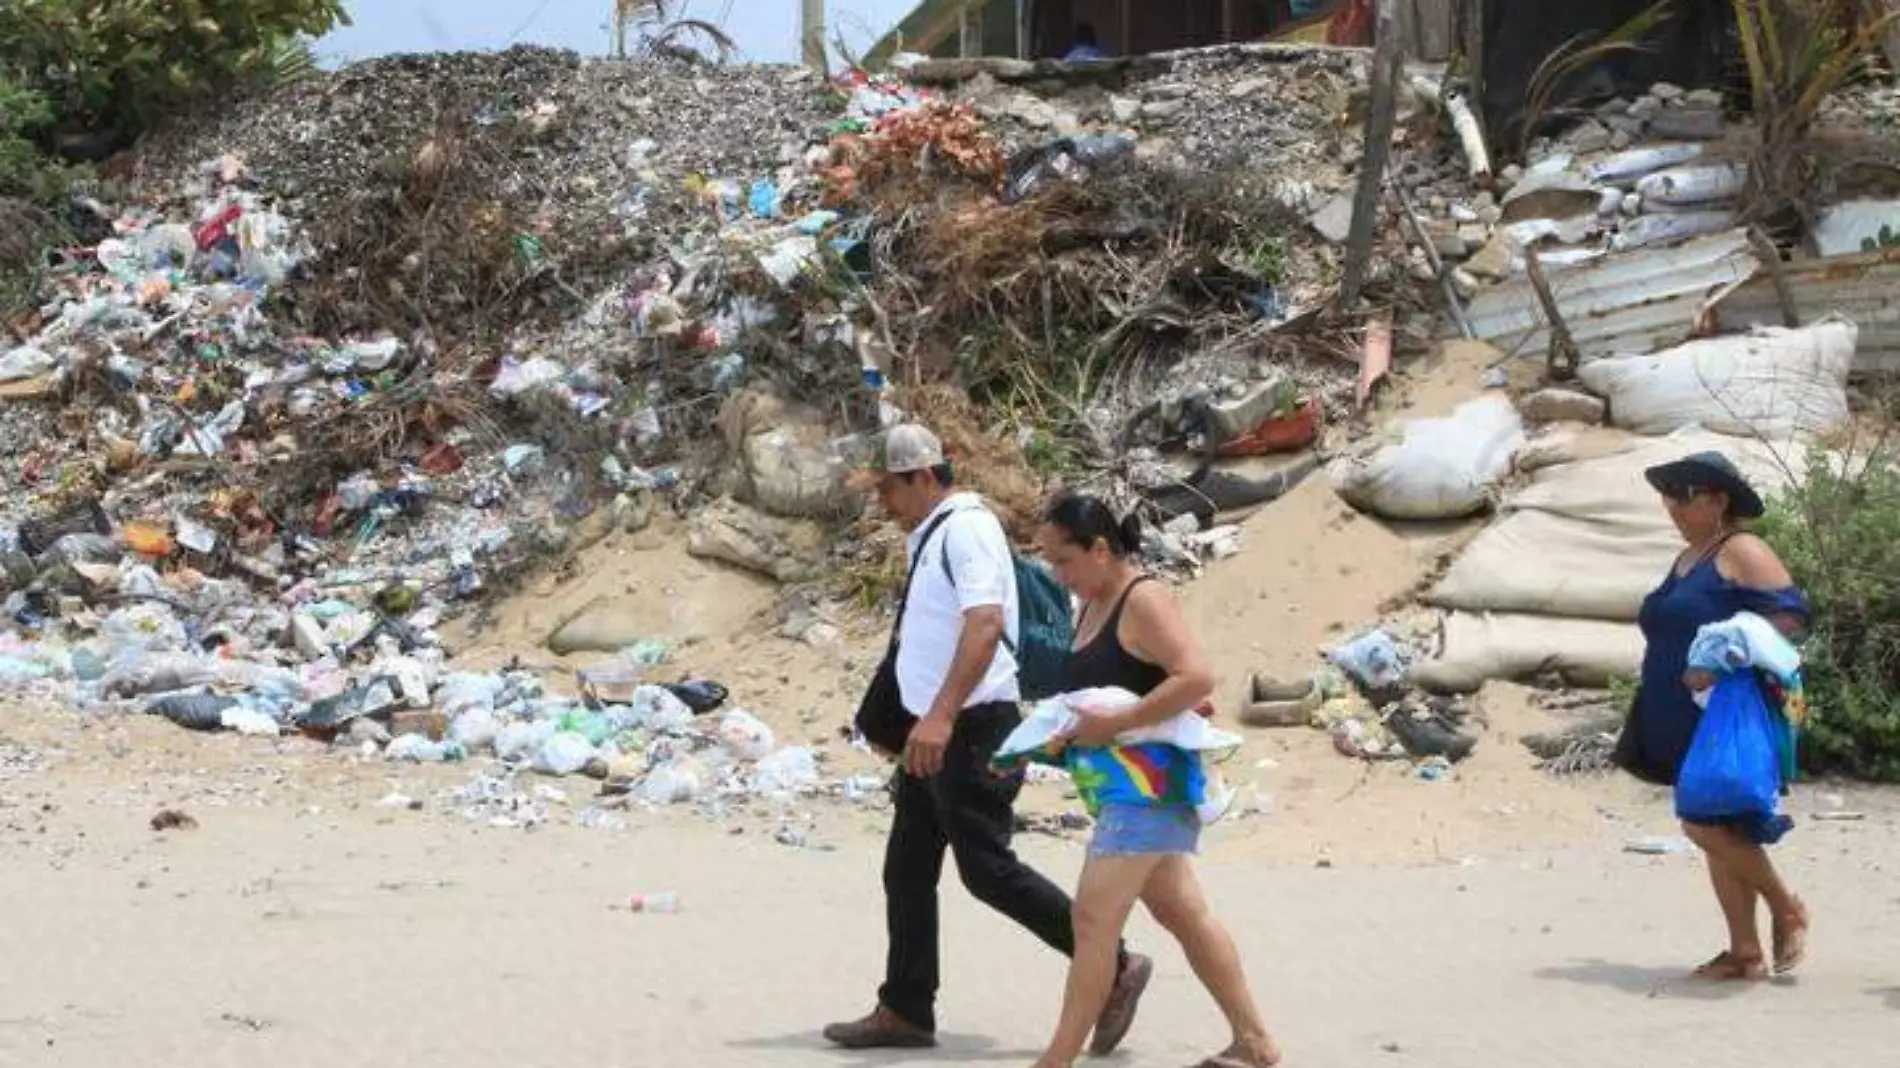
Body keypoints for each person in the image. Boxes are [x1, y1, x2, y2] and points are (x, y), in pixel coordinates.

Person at [825, 425, 1152, 1053]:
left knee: (988, 871)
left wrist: (942, 715)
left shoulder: (966, 529)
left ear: (924, 477)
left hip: (969, 729)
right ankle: (906, 1008)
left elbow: (984, 625)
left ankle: (1114, 966)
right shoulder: (935, 534)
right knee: (907, 870)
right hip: (936, 733)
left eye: (888, 489)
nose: (882, 503)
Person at [1026, 493, 1281, 1068]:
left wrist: (1116, 722)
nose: (1056, 574)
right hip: (1118, 787)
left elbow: (1197, 676)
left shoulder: (1143, 599)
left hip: (1148, 789)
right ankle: (1256, 1042)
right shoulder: (1091, 605)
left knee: (1092, 920)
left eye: (1062, 560)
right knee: (1182, 913)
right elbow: (1117, 688)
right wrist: (1064, 732)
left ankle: (1055, 1062)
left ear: (1098, 548)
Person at [1614, 451, 1813, 982]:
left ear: (1719, 500)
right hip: (1677, 711)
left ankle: (1786, 905)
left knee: (1701, 821)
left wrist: (1724, 654)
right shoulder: (1688, 558)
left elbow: (1792, 616)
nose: (1671, 506)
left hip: (1723, 713)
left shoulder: (1741, 549)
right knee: (1720, 825)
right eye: (1667, 496)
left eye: (1683, 495)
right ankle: (1744, 950)